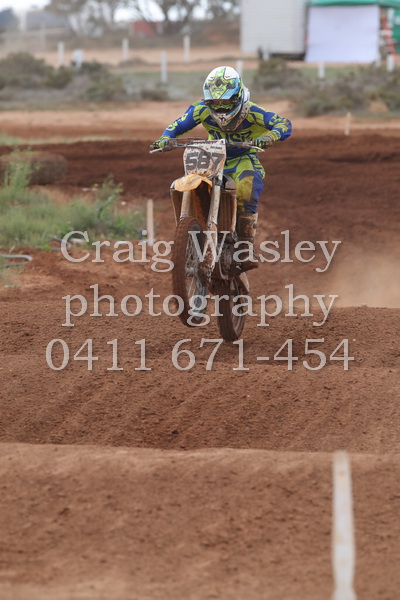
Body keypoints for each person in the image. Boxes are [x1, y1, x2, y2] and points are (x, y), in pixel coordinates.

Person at [151, 65, 292, 270]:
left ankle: (244, 246)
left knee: (247, 186)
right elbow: (179, 124)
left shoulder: (253, 112)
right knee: (189, 182)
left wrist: (270, 136)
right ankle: (190, 230)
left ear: (238, 97)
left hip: (243, 157)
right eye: (215, 103)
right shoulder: (201, 109)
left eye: (226, 102)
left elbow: (284, 123)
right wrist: (165, 138)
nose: (221, 108)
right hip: (212, 155)